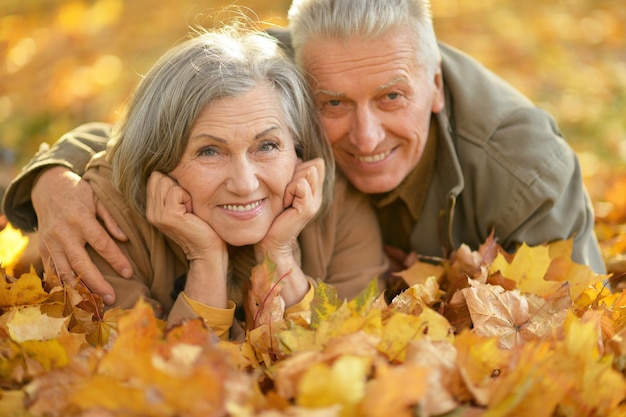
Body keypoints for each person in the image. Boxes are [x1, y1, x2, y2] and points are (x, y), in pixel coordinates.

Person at [2, 0, 605, 306]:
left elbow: (578, 317)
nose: (366, 139)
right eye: (333, 103)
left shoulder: (525, 170)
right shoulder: (271, 68)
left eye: (392, 97)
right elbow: (158, 126)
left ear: (436, 86)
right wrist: (51, 177)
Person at [2, 24, 388, 339]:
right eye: (209, 151)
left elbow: (353, 356)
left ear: (298, 149)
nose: (244, 183)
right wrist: (205, 263)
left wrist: (280, 255)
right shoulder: (102, 218)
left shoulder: (336, 200)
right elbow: (149, 385)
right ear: (161, 158)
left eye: (267, 146)